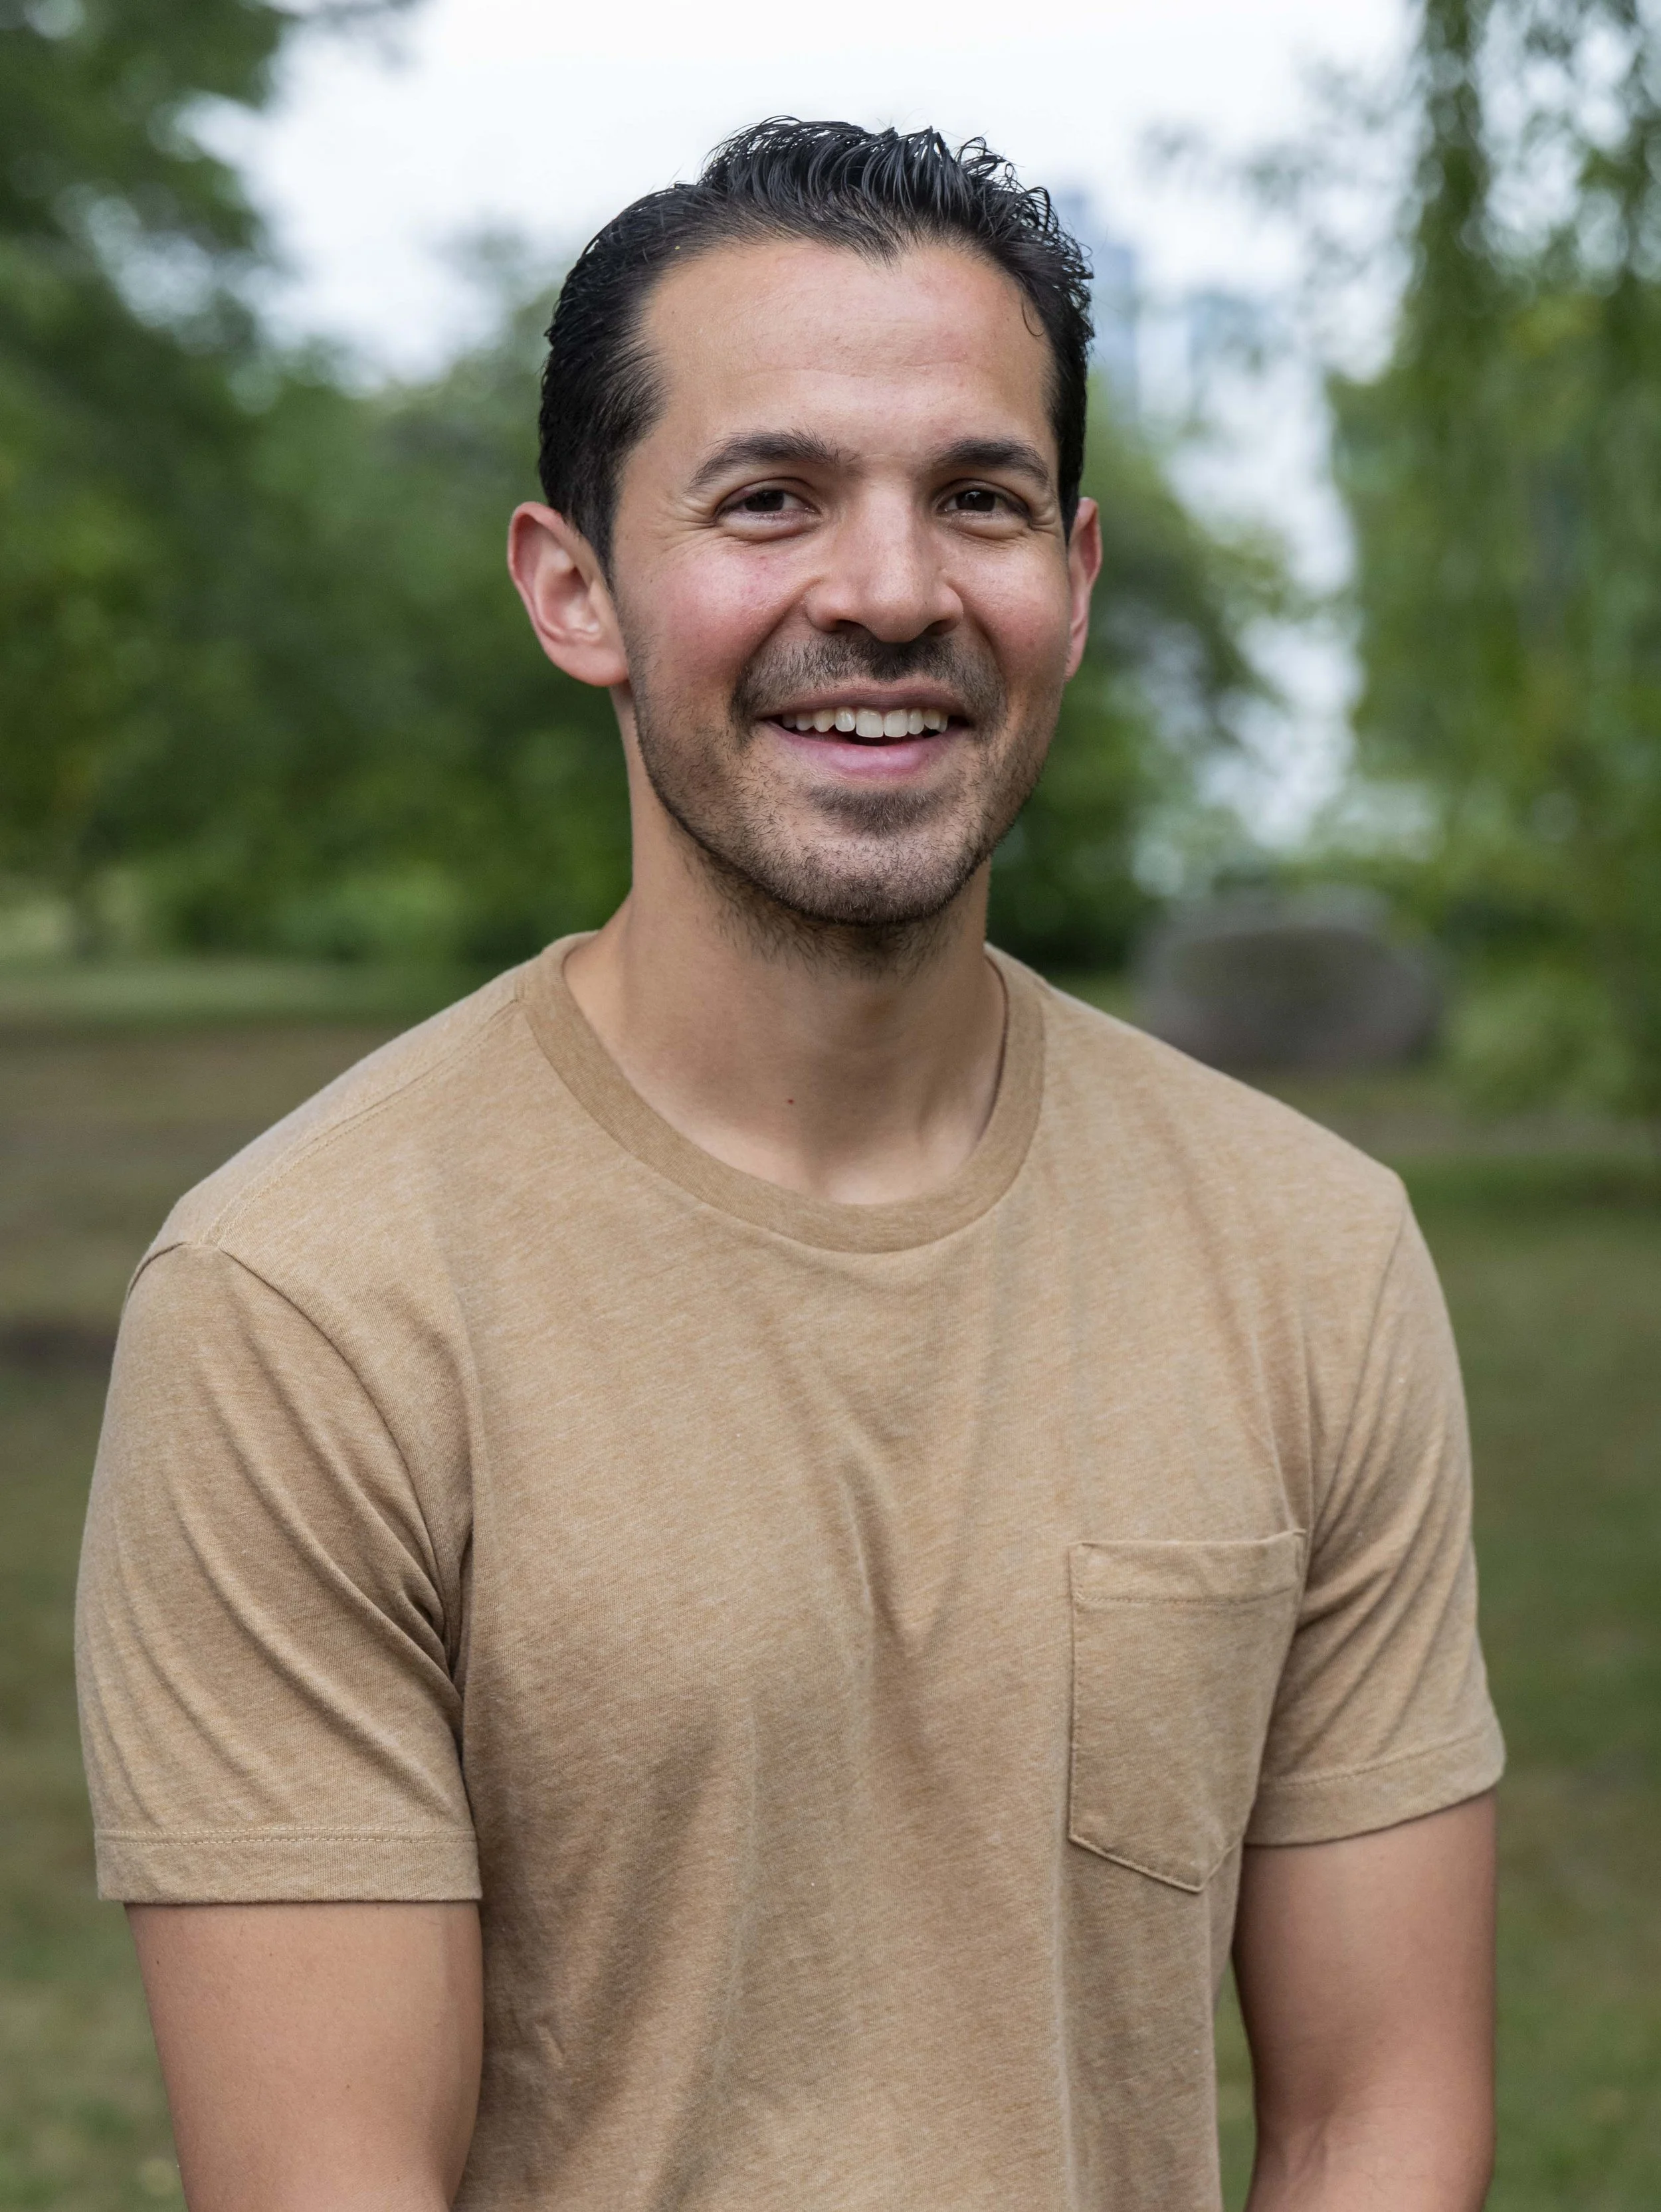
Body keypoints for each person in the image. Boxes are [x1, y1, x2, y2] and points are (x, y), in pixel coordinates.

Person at [75, 120, 1504, 2212]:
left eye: (978, 502)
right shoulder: (303, 1308)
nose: (891, 591)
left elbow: (1375, 2113)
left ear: (1071, 586)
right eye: (770, 501)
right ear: (576, 591)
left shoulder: (1308, 1253)